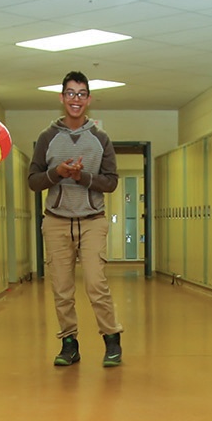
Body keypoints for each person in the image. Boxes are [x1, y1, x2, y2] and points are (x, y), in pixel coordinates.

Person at [27, 72, 126, 369]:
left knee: (96, 284)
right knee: (62, 288)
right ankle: (69, 343)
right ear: (61, 98)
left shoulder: (100, 139)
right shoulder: (47, 138)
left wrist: (80, 176)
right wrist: (58, 172)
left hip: (92, 220)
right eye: (70, 93)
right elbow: (33, 181)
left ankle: (112, 339)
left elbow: (111, 182)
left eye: (81, 94)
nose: (76, 99)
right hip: (56, 221)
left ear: (89, 100)